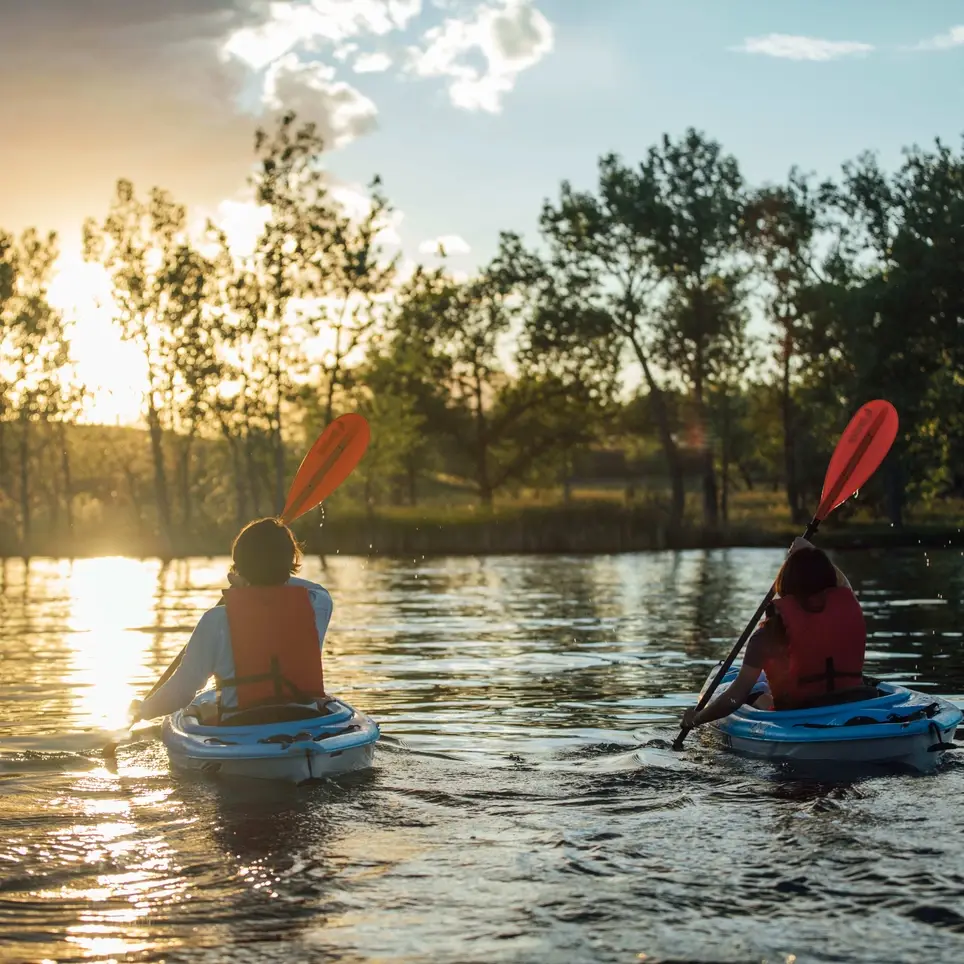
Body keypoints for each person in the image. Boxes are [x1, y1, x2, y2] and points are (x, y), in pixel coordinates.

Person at [130, 517, 333, 725]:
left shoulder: (216, 619)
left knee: (206, 710)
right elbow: (316, 588)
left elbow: (182, 691)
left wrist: (143, 710)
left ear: (238, 567)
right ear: (290, 564)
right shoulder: (316, 606)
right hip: (305, 723)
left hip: (241, 727)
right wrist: (263, 576)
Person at [681, 537, 869, 731]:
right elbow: (843, 584)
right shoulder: (848, 609)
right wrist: (812, 551)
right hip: (854, 704)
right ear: (829, 581)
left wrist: (696, 718)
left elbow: (735, 697)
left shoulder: (768, 634)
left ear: (785, 583)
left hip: (799, 714)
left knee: (756, 696)